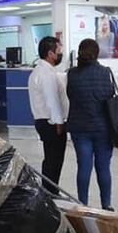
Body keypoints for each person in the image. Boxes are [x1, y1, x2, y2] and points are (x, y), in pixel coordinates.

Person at [65, 39, 116, 211]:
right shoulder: (105, 73)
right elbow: (109, 96)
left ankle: (82, 204)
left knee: (83, 167)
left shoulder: (71, 74)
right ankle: (106, 204)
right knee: (103, 167)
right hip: (102, 128)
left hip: (80, 128)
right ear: (97, 53)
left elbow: (70, 95)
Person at [28, 36, 68, 192]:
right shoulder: (46, 73)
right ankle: (51, 193)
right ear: (50, 53)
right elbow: (52, 100)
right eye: (58, 51)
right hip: (51, 123)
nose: (60, 54)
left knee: (51, 159)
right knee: (54, 161)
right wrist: (59, 122)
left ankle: (49, 191)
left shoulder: (43, 70)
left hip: (45, 121)